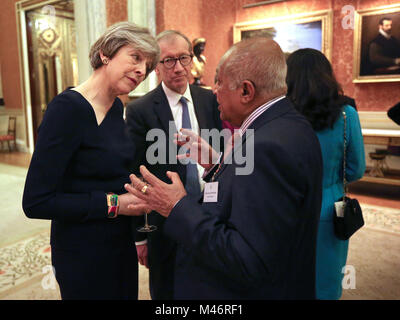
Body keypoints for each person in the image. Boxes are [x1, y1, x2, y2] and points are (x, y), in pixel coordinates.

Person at [125, 38, 323, 299]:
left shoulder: (267, 146)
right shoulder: (286, 125)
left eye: (219, 82)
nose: (214, 89)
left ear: (246, 91)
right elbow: (253, 199)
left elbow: (246, 257)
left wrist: (176, 207)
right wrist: (217, 164)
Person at [22, 22, 159, 300]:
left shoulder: (117, 107)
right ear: (106, 53)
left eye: (147, 66)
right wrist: (115, 204)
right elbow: (36, 202)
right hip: (82, 251)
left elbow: (109, 171)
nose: (141, 71)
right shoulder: (67, 109)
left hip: (119, 244)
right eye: (135, 57)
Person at [125, 30, 221, 300]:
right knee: (168, 290)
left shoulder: (210, 100)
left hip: (211, 215)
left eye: (183, 58)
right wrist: (139, 237)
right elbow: (134, 174)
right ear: (156, 66)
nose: (178, 67)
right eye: (168, 60)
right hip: (164, 223)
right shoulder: (140, 110)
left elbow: (221, 155)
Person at [286, 48, 366, 300]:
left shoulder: (282, 116)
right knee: (326, 282)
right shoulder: (346, 114)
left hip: (286, 206)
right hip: (330, 209)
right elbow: (356, 168)